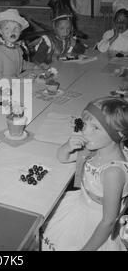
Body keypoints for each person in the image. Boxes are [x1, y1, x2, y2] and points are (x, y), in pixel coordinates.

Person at [42, 97, 128, 251]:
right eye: (85, 124)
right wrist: (68, 146)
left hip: (96, 224)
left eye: (95, 128)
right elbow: (62, 157)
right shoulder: (94, 148)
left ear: (118, 134)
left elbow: (108, 221)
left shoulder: (113, 173)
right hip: (79, 206)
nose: (85, 131)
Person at [0, 9, 38, 80]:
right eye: (7, 28)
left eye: (16, 28)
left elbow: (20, 64)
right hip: (2, 88)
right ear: (0, 31)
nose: (12, 31)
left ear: (21, 31)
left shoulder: (16, 47)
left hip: (16, 84)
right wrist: (20, 80)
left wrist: (34, 66)